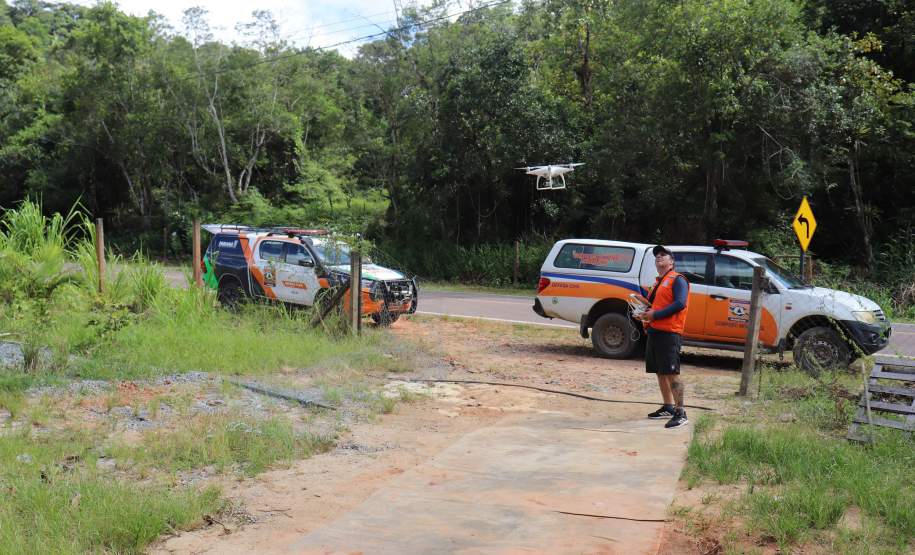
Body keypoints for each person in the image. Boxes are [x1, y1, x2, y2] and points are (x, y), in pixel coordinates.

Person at [636, 245, 690, 428]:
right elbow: (655, 306)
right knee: (660, 371)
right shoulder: (658, 282)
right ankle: (668, 406)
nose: (659, 257)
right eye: (657, 255)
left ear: (671, 261)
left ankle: (681, 412)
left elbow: (680, 304)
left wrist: (655, 315)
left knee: (672, 372)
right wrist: (644, 312)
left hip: (669, 332)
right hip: (655, 331)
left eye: (663, 255)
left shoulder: (678, 280)